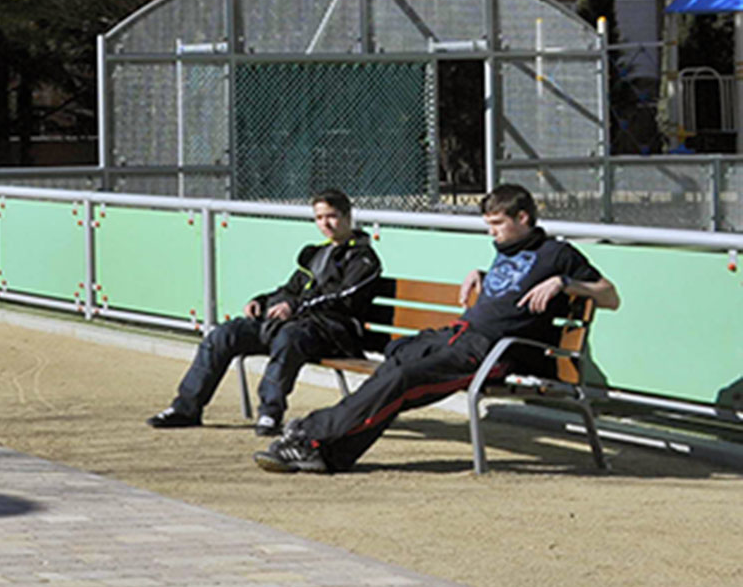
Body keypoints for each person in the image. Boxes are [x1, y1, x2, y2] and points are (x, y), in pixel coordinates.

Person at [255, 184, 621, 475]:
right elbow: (512, 287)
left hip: (492, 352)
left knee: (403, 380)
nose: (491, 232)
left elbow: (610, 296)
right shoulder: (508, 248)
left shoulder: (558, 254)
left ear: (523, 217)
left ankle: (309, 435)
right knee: (396, 362)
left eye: (497, 224)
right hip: (458, 335)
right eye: (488, 224)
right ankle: (331, 455)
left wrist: (565, 283)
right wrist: (483, 274)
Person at [147, 190, 382, 437]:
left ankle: (270, 413)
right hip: (296, 325)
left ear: (347, 216)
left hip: (332, 333)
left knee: (288, 338)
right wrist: (262, 301)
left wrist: (294, 307)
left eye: (331, 216)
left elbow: (342, 297)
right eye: (319, 218)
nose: (325, 224)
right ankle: (185, 409)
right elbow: (290, 289)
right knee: (225, 334)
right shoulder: (316, 254)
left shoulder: (363, 258)